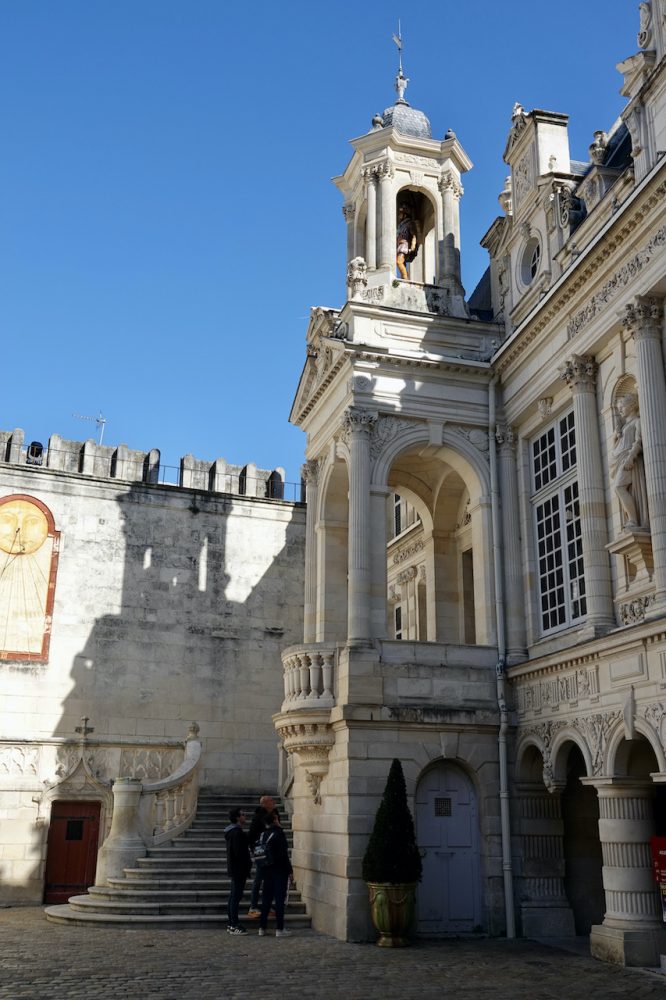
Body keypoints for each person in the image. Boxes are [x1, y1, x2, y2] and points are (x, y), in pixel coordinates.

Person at [611, 393, 648, 530]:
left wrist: (631, 458)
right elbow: (616, 446)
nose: (620, 410)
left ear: (632, 406)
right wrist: (616, 436)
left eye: (623, 406)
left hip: (627, 459)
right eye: (619, 408)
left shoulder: (637, 421)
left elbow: (638, 441)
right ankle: (631, 519)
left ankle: (633, 520)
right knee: (619, 488)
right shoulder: (624, 426)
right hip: (620, 459)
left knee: (619, 487)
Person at [258, 812, 293, 938]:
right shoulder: (279, 833)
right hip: (279, 870)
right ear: (274, 820)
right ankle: (279, 928)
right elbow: (284, 855)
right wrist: (290, 871)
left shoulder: (263, 834)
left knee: (266, 899)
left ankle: (262, 928)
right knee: (279, 899)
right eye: (277, 818)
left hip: (266, 870)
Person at [247, 794, 279, 917]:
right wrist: (255, 850)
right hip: (262, 853)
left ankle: (267, 905)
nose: (274, 801)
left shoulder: (275, 814)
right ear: (264, 804)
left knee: (269, 880)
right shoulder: (258, 817)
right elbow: (251, 836)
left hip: (272, 852)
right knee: (259, 879)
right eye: (271, 800)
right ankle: (253, 906)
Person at [224, 807, 251, 935]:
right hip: (239, 869)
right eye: (243, 814)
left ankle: (231, 923)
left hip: (236, 869)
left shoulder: (233, 832)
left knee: (233, 897)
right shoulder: (237, 833)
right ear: (237, 817)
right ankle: (234, 924)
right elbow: (239, 853)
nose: (245, 816)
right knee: (235, 897)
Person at [396, 203, 419, 280]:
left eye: (401, 213)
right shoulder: (400, 226)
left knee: (399, 262)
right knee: (403, 263)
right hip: (399, 245)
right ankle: (405, 278)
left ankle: (405, 279)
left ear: (405, 214)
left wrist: (413, 246)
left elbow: (414, 235)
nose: (399, 216)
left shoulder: (409, 223)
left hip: (404, 245)